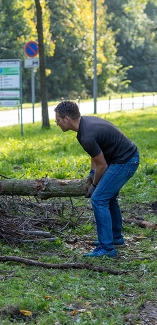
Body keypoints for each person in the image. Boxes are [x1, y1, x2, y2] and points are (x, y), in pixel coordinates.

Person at [54, 101, 139, 257]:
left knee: (98, 199)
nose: (56, 123)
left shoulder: (86, 135)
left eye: (58, 119)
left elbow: (102, 166)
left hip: (126, 161)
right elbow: (96, 156)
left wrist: (94, 185)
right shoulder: (84, 126)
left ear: (66, 119)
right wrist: (92, 173)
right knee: (108, 197)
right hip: (121, 158)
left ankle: (107, 248)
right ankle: (115, 238)